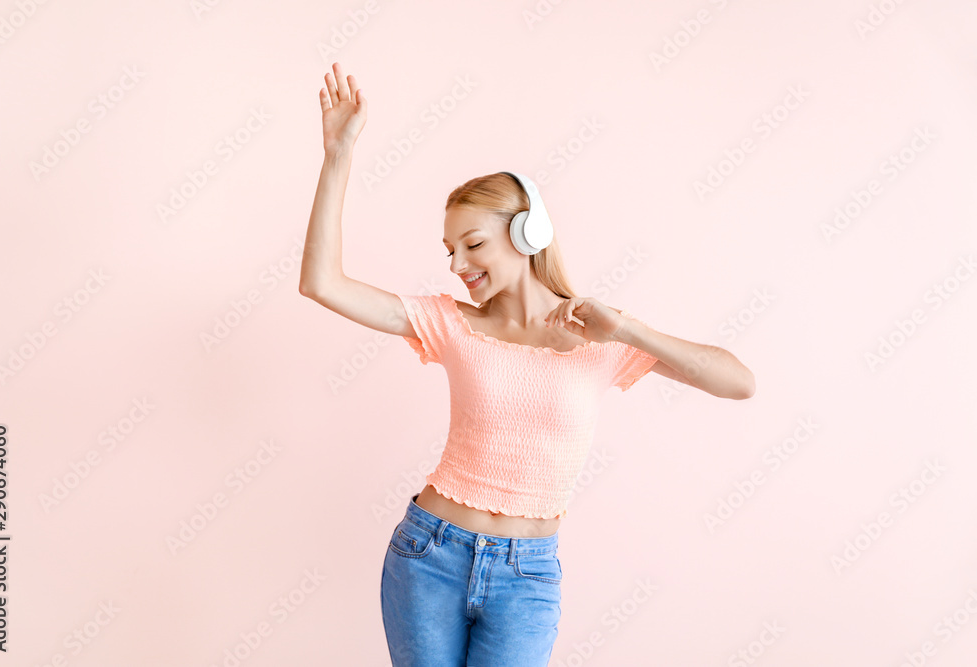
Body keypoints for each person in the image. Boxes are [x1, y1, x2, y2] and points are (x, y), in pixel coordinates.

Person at [299, 62, 756, 667]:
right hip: (428, 556)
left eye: (473, 244)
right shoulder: (453, 323)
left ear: (527, 231)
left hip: (528, 575)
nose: (458, 264)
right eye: (450, 251)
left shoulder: (598, 334)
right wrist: (337, 157)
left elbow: (737, 381)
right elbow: (322, 283)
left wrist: (627, 328)